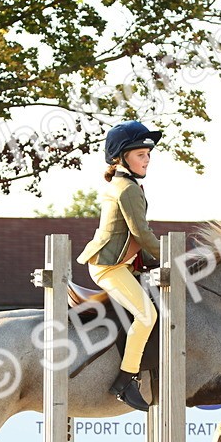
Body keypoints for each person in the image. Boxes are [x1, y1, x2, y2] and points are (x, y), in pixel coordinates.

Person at [76, 120, 163, 412]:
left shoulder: (127, 185)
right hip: (108, 266)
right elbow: (141, 233)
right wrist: (169, 259)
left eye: (148, 154)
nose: (147, 159)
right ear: (121, 157)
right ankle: (125, 380)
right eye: (141, 154)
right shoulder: (126, 189)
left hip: (123, 264)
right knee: (147, 315)